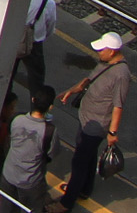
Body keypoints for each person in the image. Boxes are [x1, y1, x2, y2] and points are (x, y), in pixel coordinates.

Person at [55, 34, 132, 213]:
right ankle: (84, 189)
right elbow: (88, 81)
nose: (98, 53)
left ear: (112, 51)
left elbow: (118, 105)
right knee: (88, 157)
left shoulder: (121, 75)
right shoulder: (105, 62)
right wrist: (72, 90)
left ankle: (66, 203)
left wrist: (112, 133)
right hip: (86, 118)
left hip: (96, 125)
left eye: (101, 50)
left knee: (79, 161)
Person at [0, 86, 58, 213]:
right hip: (31, 182)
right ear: (50, 107)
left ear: (32, 100)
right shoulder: (49, 131)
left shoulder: (16, 119)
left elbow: (9, 141)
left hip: (8, 175)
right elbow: (51, 155)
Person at [22, 0, 61, 93]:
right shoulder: (48, 3)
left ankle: (7, 104)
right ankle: (36, 105)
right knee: (36, 78)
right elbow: (51, 25)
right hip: (34, 43)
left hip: (15, 38)